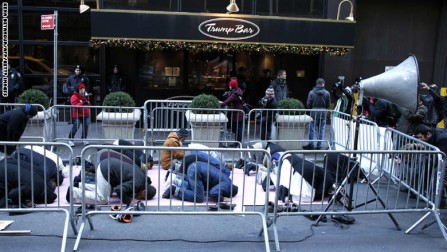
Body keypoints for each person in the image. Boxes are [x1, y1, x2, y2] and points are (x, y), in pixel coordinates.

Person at [67, 149, 156, 205]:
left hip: (107, 166)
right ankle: (73, 193)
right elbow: (119, 189)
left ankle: (79, 185)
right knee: (103, 199)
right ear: (144, 192)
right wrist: (129, 200)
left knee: (107, 192)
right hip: (106, 169)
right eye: (143, 198)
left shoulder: (142, 179)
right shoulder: (139, 182)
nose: (140, 198)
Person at [162, 157, 238, 203]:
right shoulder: (228, 185)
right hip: (197, 171)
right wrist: (222, 198)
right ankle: (175, 190)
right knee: (199, 197)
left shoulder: (226, 179)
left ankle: (176, 180)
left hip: (194, 166)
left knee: (193, 188)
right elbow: (214, 193)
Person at [303, 78, 331, 150]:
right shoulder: (327, 93)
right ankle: (319, 145)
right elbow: (328, 104)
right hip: (323, 113)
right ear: (323, 84)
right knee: (322, 129)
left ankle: (311, 144)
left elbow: (308, 103)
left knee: (312, 129)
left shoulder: (311, 92)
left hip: (314, 112)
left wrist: (310, 109)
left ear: (316, 84)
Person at [221, 79, 244, 146]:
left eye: (230, 85)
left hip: (238, 113)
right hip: (238, 112)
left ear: (232, 86)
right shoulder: (238, 91)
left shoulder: (235, 94)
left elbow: (228, 101)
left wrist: (219, 105)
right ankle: (237, 142)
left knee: (237, 128)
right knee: (236, 128)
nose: (229, 86)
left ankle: (238, 143)